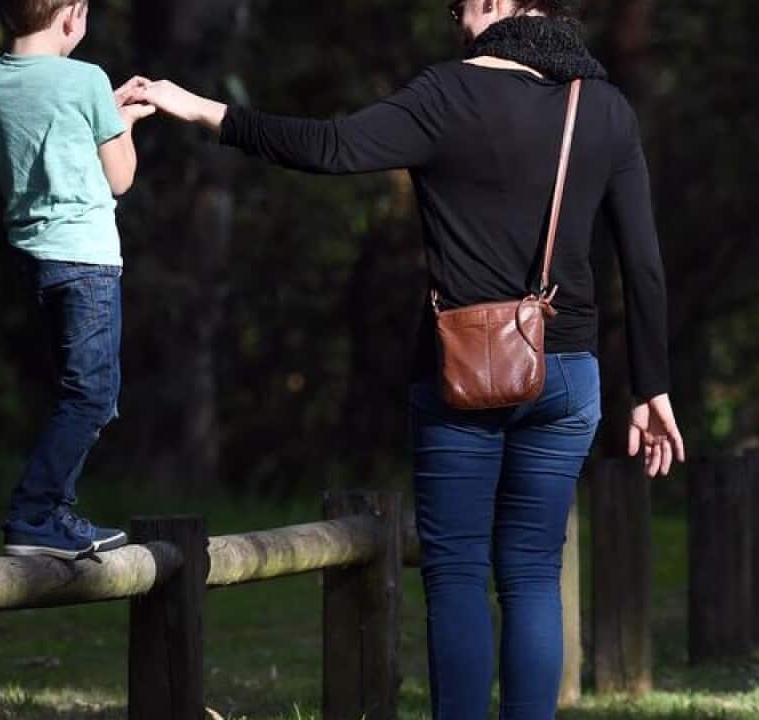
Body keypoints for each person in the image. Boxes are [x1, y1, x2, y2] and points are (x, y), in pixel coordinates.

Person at [130, 0, 686, 717]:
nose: (455, 15)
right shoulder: (604, 106)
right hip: (569, 375)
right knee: (532, 574)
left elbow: (328, 148)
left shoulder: (447, 93)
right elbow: (643, 261)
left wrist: (201, 109)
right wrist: (653, 388)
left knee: (456, 573)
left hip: (464, 371)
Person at [0, 0, 154, 560]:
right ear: (72, 15)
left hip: (36, 258)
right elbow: (119, 177)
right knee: (92, 396)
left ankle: (53, 514)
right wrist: (119, 119)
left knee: (76, 393)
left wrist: (100, 111)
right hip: (88, 259)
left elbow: (40, 139)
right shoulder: (88, 80)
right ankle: (34, 513)